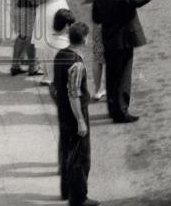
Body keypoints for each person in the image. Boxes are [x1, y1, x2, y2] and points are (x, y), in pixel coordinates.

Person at [91, 0, 153, 123]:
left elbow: (96, 18)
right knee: (123, 78)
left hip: (109, 40)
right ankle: (121, 112)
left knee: (111, 76)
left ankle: (113, 109)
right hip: (124, 42)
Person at [52, 22, 96, 206]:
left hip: (63, 111)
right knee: (80, 157)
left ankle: (66, 190)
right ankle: (79, 198)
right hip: (75, 113)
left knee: (66, 151)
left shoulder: (60, 55)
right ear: (84, 39)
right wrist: (80, 121)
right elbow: (74, 94)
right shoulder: (77, 64)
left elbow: (55, 87)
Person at [82, 0, 117, 102]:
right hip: (114, 20)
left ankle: (97, 90)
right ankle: (113, 88)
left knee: (98, 57)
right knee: (113, 56)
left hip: (98, 19)